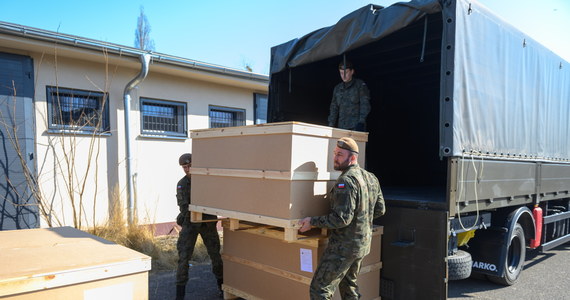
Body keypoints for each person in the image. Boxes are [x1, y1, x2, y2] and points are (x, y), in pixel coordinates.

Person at [298, 137, 385, 300]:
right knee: (348, 288)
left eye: (340, 154)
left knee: (319, 290)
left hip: (343, 247)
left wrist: (312, 222)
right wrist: (362, 218)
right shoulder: (371, 177)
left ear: (352, 158)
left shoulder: (345, 181)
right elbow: (380, 209)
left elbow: (341, 219)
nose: (335, 158)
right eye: (335, 153)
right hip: (362, 245)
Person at [175, 153, 223, 300]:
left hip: (207, 222)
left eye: (190, 166)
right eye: (185, 167)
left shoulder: (205, 180)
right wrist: (184, 219)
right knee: (183, 258)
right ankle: (180, 295)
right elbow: (183, 207)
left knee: (215, 255)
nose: (188, 169)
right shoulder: (182, 183)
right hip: (190, 223)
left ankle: (222, 288)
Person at [328, 60, 371, 132]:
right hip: (341, 127)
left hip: (356, 127)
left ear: (352, 72)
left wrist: (361, 122)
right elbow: (333, 108)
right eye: (341, 73)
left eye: (346, 72)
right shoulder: (337, 89)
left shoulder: (360, 85)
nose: (343, 76)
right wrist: (331, 125)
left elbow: (365, 104)